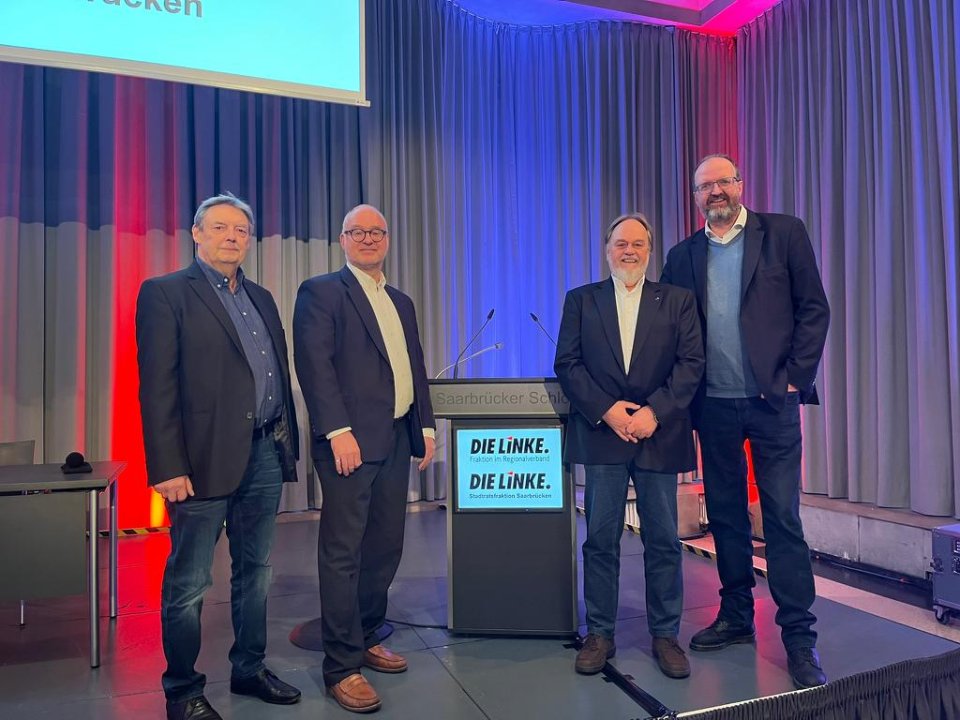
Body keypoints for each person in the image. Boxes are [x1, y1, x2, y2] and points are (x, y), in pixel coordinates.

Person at [660, 154, 831, 689]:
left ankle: (799, 637)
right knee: (727, 516)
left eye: (723, 182)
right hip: (712, 406)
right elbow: (668, 329)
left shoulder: (783, 234)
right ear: (694, 197)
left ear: (739, 185)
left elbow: (814, 309)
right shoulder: (682, 256)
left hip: (771, 403)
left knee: (781, 517)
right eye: (704, 186)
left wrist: (794, 378)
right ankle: (736, 615)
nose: (715, 191)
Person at [136, 193, 302, 720]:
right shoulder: (165, 293)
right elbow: (157, 388)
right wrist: (167, 467)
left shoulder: (262, 297)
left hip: (264, 453)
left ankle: (249, 669)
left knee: (256, 572)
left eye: (241, 230)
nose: (232, 236)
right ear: (196, 233)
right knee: (189, 584)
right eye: (221, 227)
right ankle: (182, 690)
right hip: (200, 462)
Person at [293, 204, 436, 713]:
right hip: (349, 444)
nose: (369, 238)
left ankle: (368, 634)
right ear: (343, 239)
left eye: (377, 231)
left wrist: (424, 425)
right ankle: (341, 666)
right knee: (344, 553)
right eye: (359, 232)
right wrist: (338, 431)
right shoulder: (322, 292)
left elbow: (414, 365)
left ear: (388, 239)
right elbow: (314, 366)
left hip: (396, 439)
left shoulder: (401, 301)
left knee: (385, 547)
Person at [555, 213, 704, 679]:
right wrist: (608, 411)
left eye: (638, 244)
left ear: (649, 250)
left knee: (663, 541)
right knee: (600, 539)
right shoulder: (581, 300)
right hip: (604, 435)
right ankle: (600, 633)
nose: (629, 251)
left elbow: (691, 363)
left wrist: (652, 413)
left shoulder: (677, 300)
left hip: (658, 435)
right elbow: (568, 364)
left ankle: (665, 635)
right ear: (607, 249)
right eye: (621, 243)